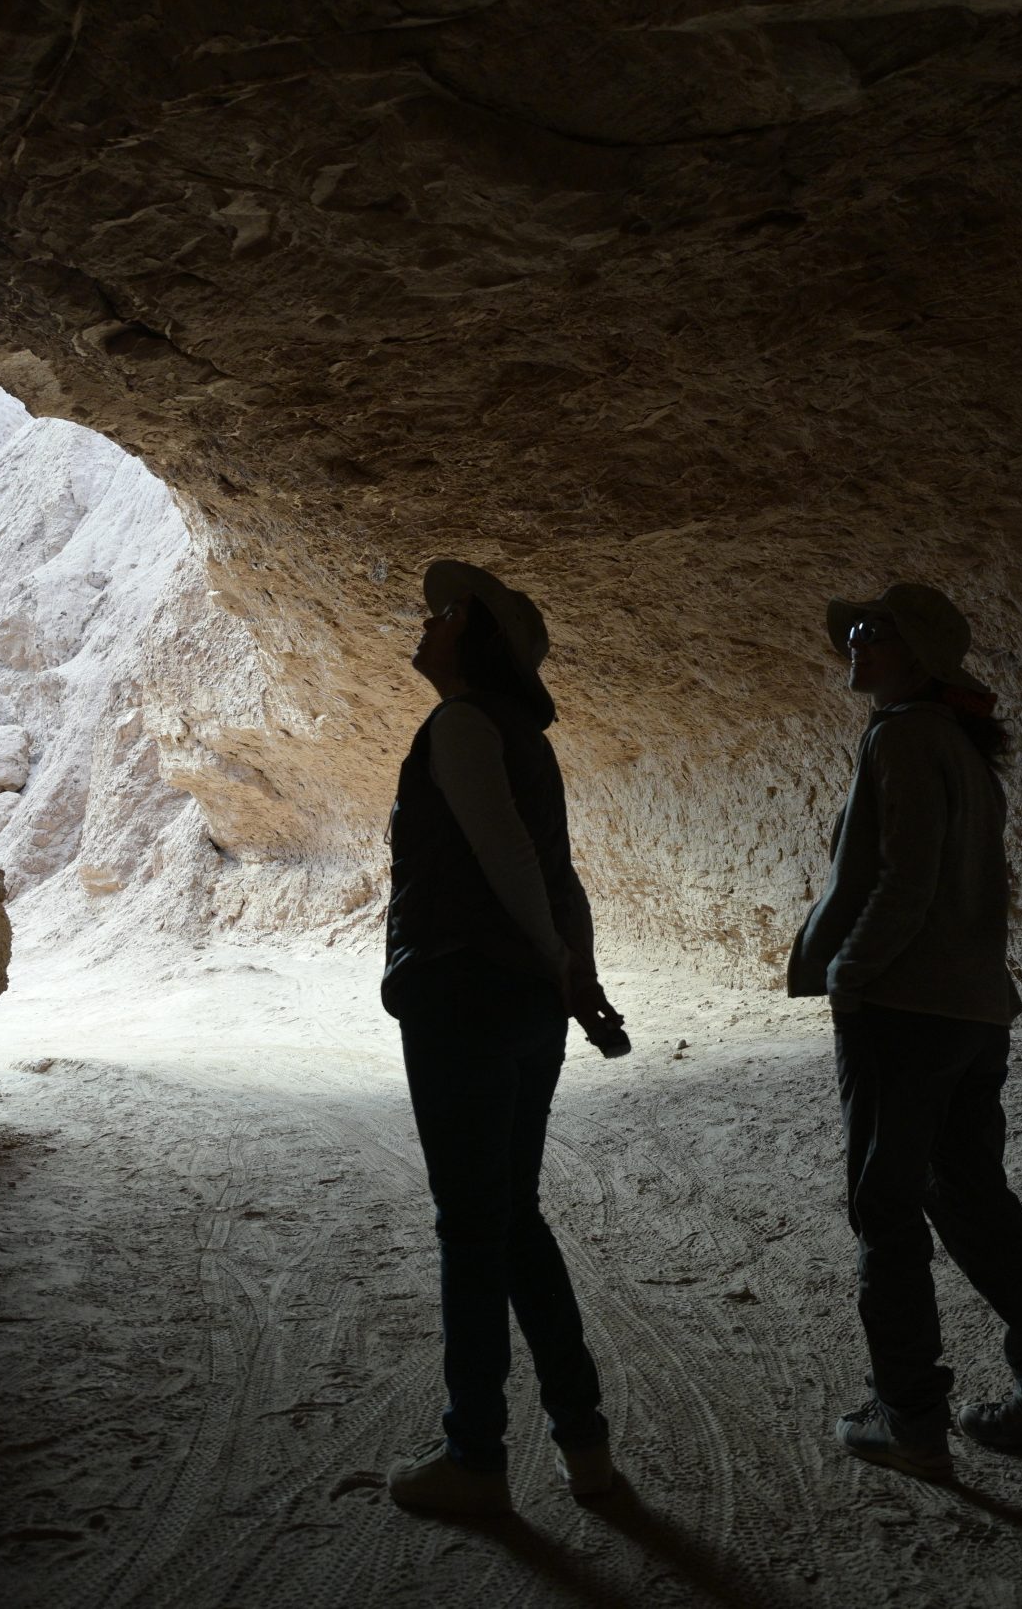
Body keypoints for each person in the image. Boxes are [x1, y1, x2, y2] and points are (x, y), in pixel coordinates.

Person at [788, 581, 1022, 1478]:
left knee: (884, 1209)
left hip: (906, 1008)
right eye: (852, 626)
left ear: (917, 655)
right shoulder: (960, 746)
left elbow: (905, 878)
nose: (854, 639)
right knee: (970, 1192)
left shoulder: (905, 735)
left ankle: (910, 1415)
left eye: (873, 631)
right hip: (972, 1009)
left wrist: (850, 974)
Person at [381, 559, 627, 1518]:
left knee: (471, 1226)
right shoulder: (524, 735)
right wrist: (575, 975)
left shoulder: (463, 725)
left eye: (445, 614)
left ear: (475, 639)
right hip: (523, 1003)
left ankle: (476, 1457)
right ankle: (585, 1442)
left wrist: (569, 971)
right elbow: (561, 876)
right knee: (514, 1216)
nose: (428, 621)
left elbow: (510, 859)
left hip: (466, 999)